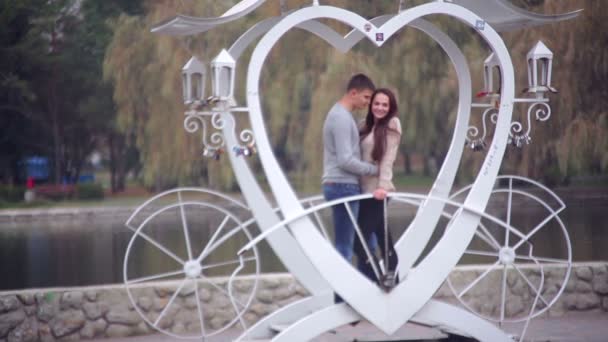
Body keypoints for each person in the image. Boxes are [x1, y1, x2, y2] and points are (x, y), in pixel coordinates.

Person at [322, 74, 379, 278]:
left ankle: (368, 289)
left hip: (346, 186)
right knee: (346, 246)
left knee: (365, 242)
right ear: (353, 93)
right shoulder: (340, 118)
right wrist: (373, 170)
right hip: (342, 186)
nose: (368, 102)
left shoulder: (346, 117)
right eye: (365, 97)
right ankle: (343, 299)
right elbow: (345, 160)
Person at [354, 88, 401, 290]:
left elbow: (388, 159)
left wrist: (382, 188)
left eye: (385, 104)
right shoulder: (363, 126)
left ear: (390, 108)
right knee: (383, 237)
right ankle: (392, 278)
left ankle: (378, 277)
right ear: (371, 105)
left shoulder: (392, 124)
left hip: (379, 192)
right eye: (377, 103)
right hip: (363, 193)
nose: (380, 108)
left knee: (359, 241)